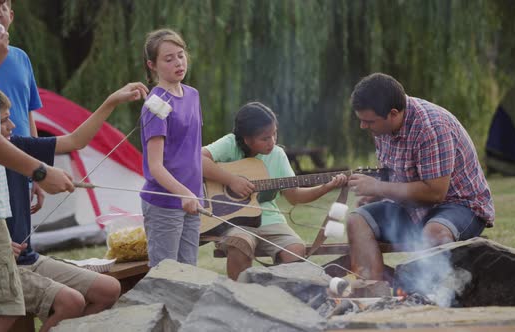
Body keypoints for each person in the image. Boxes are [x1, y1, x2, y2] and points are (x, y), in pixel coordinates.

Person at [0, 82, 148, 332]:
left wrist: (110, 101)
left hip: (28, 259)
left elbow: (76, 140)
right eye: (4, 121)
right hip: (2, 266)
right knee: (71, 302)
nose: (12, 125)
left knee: (109, 289)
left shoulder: (18, 146)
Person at [345, 73, 495, 281]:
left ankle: (429, 299)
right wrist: (375, 196)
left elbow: (435, 193)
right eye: (361, 120)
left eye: (368, 121)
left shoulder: (432, 127)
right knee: (356, 221)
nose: (363, 126)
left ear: (393, 113)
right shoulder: (381, 127)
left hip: (459, 205)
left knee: (434, 234)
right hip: (411, 207)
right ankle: (372, 292)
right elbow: (395, 175)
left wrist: (379, 188)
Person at [0, 1, 73, 330]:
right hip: (2, 170)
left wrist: (34, 173)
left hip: (17, 171)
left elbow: (27, 115)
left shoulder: (21, 58)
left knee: (13, 286)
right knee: (7, 303)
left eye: (6, 4)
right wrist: (38, 170)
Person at [202, 102, 347, 280]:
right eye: (265, 138)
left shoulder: (277, 155)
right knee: (240, 244)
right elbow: (198, 160)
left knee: (295, 250)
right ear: (247, 139)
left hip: (269, 218)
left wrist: (326, 187)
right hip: (233, 222)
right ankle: (238, 296)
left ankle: (279, 298)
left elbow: (294, 197)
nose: (272, 142)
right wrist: (231, 180)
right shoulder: (230, 144)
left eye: (274, 134)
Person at [140, 28, 203, 268]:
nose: (178, 62)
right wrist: (183, 192)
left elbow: (191, 148)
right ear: (152, 65)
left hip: (193, 199)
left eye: (180, 55)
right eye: (168, 59)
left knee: (190, 273)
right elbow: (155, 166)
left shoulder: (193, 95)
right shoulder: (155, 105)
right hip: (165, 204)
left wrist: (195, 191)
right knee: (166, 278)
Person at [0, 0, 46, 212]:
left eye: (3, 8)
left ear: (11, 16)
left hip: (22, 165)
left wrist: (38, 169)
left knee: (21, 237)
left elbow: (28, 113)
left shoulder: (21, 58)